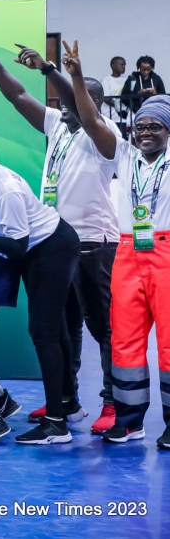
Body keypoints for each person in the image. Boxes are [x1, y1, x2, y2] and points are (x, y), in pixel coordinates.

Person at [0, 39, 119, 434]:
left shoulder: (105, 135)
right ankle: (66, 401)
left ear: (92, 102)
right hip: (51, 243)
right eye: (64, 100)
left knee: (102, 328)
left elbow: (85, 111)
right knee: (62, 328)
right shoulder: (58, 125)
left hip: (93, 242)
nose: (66, 103)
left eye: (78, 98)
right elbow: (18, 95)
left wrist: (60, 73)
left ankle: (113, 402)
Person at [63, 39, 170, 451]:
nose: (145, 132)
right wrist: (75, 76)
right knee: (124, 340)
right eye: (141, 126)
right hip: (127, 252)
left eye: (155, 127)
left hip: (165, 252)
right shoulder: (122, 153)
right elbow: (91, 121)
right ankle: (129, 421)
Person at [0, 130, 80, 446]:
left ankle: (56, 424)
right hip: (35, 249)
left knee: (44, 333)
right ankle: (67, 404)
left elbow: (18, 246)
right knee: (54, 330)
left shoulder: (4, 189)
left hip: (50, 247)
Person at [101, 57, 129, 131]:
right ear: (113, 66)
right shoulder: (106, 80)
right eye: (121, 65)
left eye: (124, 65)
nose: (124, 67)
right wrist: (120, 105)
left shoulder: (126, 79)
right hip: (111, 118)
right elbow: (106, 98)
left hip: (124, 118)